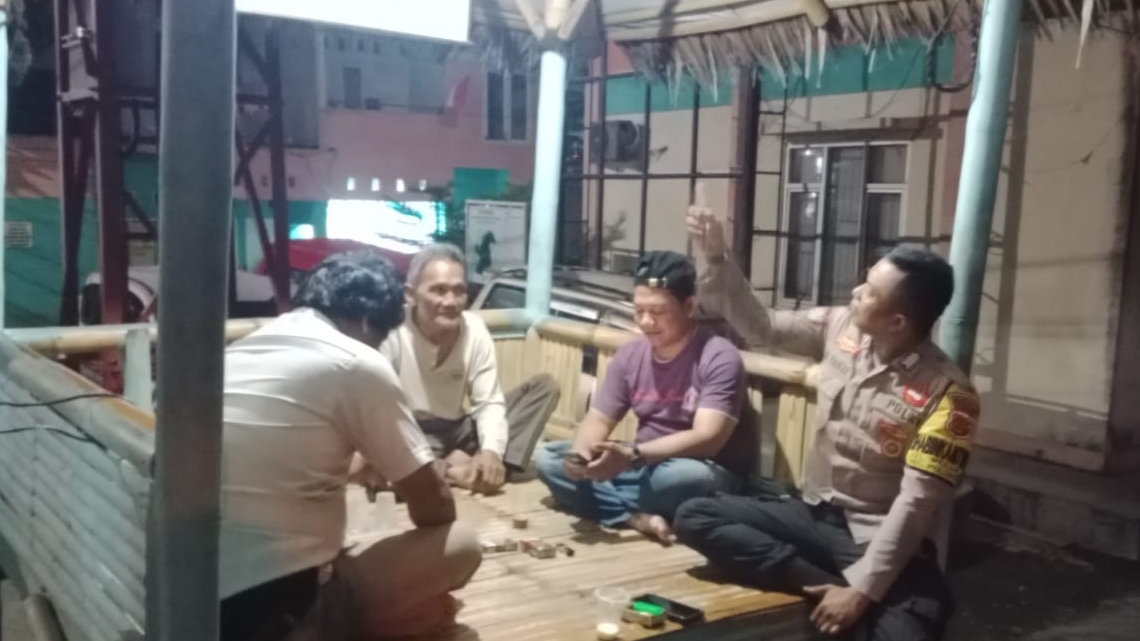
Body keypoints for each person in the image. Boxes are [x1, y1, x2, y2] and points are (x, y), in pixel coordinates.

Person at [673, 201, 978, 641]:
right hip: (815, 516)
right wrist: (718, 257)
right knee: (695, 515)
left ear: (897, 321)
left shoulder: (950, 396)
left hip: (878, 533)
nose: (856, 292)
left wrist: (863, 589)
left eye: (869, 292)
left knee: (909, 632)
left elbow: (916, 504)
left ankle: (856, 596)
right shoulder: (840, 327)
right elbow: (764, 328)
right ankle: (822, 587)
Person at [218, 251, 482, 641]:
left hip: (193, 591)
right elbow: (435, 505)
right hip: (284, 603)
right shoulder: (356, 362)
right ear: (366, 322)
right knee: (461, 544)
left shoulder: (236, 353)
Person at [535, 250, 751, 544]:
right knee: (549, 458)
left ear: (689, 306)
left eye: (658, 312)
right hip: (640, 465)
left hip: (696, 469)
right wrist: (582, 457)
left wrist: (632, 457)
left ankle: (606, 502)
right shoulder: (630, 355)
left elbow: (708, 438)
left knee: (682, 479)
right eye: (639, 311)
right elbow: (599, 418)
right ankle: (634, 517)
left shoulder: (718, 356)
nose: (646, 322)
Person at [379, 243, 561, 495]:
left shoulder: (474, 329)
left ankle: (467, 466)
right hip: (411, 432)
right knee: (380, 458)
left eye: (459, 291)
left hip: (458, 431)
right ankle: (456, 472)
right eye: (439, 290)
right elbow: (379, 411)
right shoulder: (391, 331)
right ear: (410, 295)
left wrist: (491, 451)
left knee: (544, 388)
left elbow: (488, 402)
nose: (451, 301)